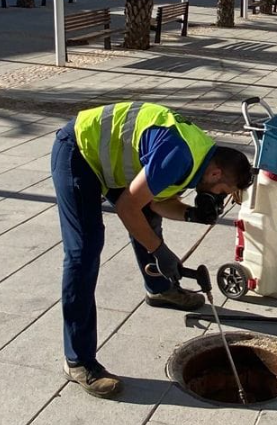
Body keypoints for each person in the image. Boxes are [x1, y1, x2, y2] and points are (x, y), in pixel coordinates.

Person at [52, 101, 253, 399]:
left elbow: (155, 200)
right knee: (84, 250)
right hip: (78, 151)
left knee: (148, 217)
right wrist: (159, 251)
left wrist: (190, 214)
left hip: (113, 165)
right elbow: (127, 206)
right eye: (222, 193)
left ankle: (159, 289)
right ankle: (78, 360)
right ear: (215, 174)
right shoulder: (178, 156)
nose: (218, 199)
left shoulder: (201, 157)